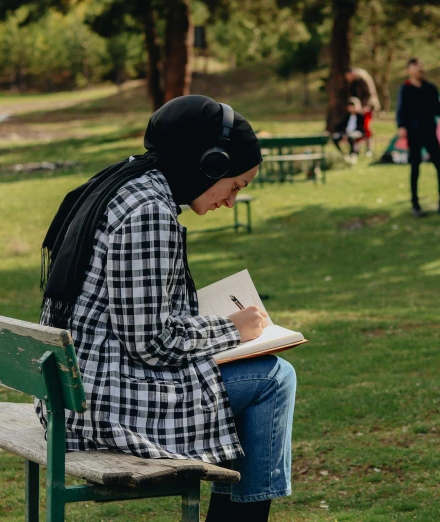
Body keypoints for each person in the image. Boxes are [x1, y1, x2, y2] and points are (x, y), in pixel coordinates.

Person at [35, 95, 297, 522]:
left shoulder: (122, 184)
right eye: (236, 185)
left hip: (70, 392)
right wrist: (233, 330)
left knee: (265, 375)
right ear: (210, 165)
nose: (231, 201)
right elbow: (150, 342)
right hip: (101, 408)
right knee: (274, 378)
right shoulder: (148, 212)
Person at [396, 58, 440, 217]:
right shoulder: (406, 89)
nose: (419, 70)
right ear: (408, 70)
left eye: (420, 67)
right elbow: (401, 110)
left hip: (430, 131)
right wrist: (401, 126)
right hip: (414, 133)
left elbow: (437, 106)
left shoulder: (430, 88)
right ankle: (415, 204)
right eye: (415, 67)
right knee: (415, 167)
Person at [345, 66, 381, 157]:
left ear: (352, 73)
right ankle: (356, 149)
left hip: (367, 107)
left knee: (366, 127)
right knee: (356, 128)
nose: (348, 79)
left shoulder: (363, 78)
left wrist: (365, 106)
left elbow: (370, 93)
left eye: (349, 77)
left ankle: (369, 148)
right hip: (357, 107)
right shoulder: (352, 82)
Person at [331, 97, 366, 163]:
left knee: (351, 137)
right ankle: (342, 154)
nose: (351, 109)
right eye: (349, 107)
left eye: (352, 107)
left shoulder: (361, 116)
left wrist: (348, 134)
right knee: (335, 137)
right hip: (347, 132)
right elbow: (341, 125)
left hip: (357, 132)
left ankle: (353, 154)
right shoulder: (348, 115)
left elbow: (362, 127)